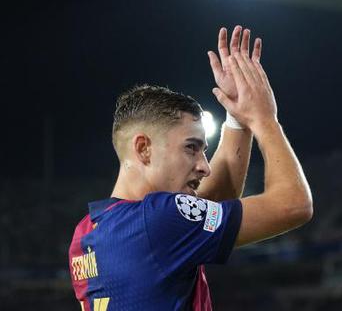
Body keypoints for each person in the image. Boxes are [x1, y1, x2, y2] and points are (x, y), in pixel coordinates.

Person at [68, 26, 313, 310]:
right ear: (144, 148)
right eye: (191, 148)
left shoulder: (86, 233)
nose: (204, 167)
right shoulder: (159, 220)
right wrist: (264, 119)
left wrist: (236, 118)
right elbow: (293, 205)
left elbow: (212, 201)